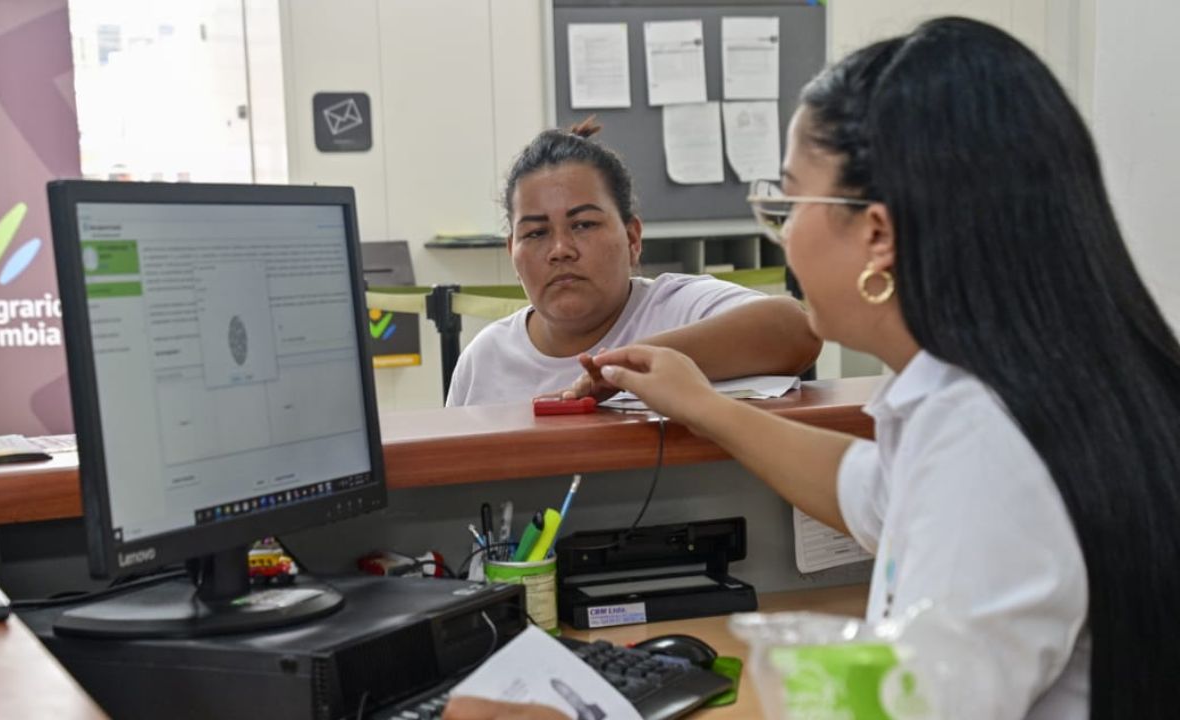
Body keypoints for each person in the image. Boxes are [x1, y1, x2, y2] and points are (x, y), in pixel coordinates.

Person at [447, 17, 1180, 720]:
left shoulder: (987, 447)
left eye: (790, 204)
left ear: (878, 234)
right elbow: (869, 491)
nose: (783, 239)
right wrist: (707, 407)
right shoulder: (988, 400)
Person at [445, 119, 821, 406]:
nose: (560, 249)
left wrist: (627, 367)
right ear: (512, 250)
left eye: (583, 224)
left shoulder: (677, 309)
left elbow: (796, 330)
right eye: (536, 233)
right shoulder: (484, 361)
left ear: (632, 238)